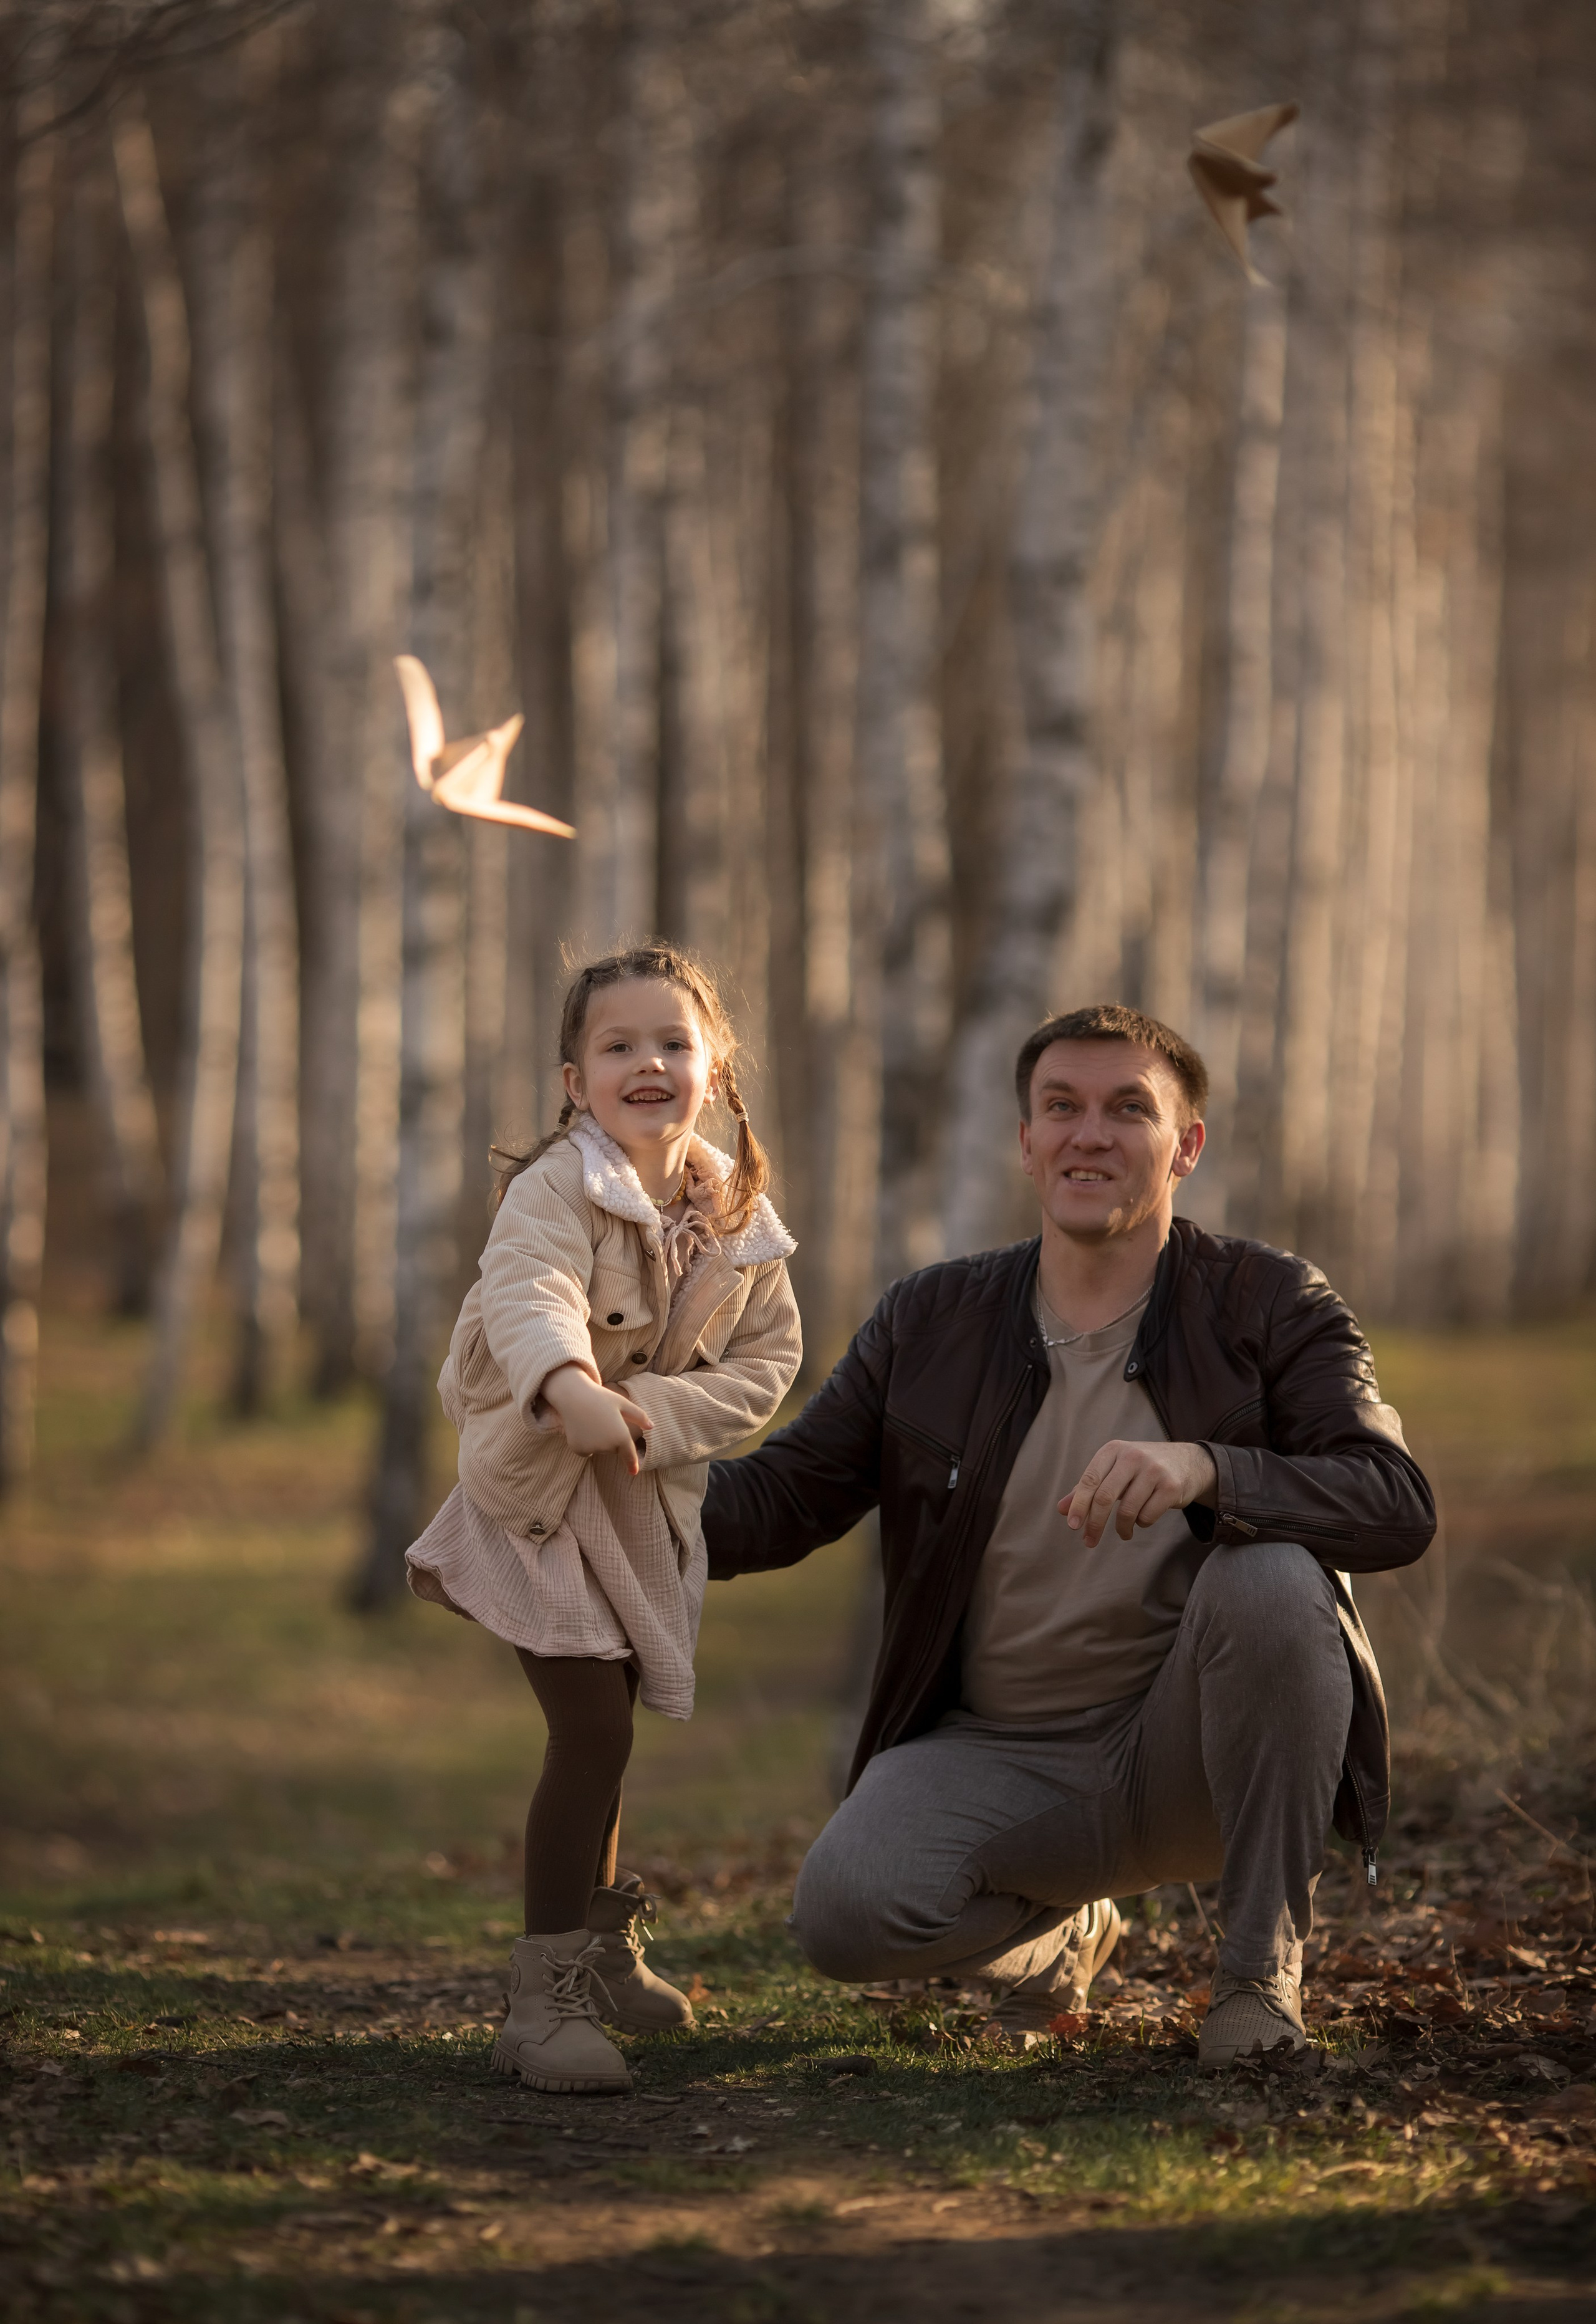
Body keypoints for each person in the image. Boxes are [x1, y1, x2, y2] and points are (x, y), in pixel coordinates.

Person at [703, 1003, 1433, 2067]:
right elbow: (787, 1496)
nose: (1090, 1133)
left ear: (1185, 1146)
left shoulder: (1268, 1302)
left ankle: (1256, 1981)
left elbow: (1393, 1501)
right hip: (996, 1755)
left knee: (1274, 1576)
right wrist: (630, 1480)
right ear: (1028, 1141)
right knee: (846, 1916)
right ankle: (1059, 1943)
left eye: (1128, 1109)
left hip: (1193, 1750)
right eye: (1063, 1107)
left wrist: (1208, 1470)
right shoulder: (931, 1320)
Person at [406, 944, 800, 2094]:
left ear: (715, 1066)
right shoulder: (552, 1190)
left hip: (633, 1504)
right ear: (574, 1081)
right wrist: (571, 1386)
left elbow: (769, 1360)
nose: (649, 1064)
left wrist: (645, 1407)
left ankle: (602, 1944)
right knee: (592, 1729)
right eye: (617, 1046)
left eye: (673, 1043)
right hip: (532, 1502)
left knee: (613, 1722)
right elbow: (531, 1292)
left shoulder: (740, 1215)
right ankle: (541, 2000)